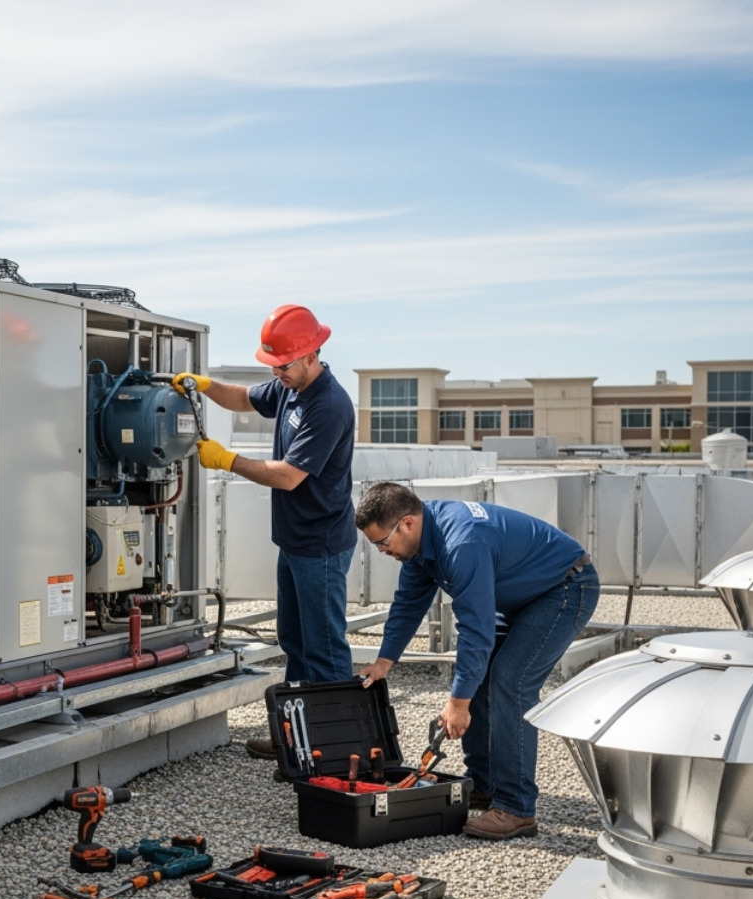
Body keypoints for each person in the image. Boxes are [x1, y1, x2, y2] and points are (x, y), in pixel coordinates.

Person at [355, 482, 598, 840]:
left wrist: (457, 704)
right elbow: (408, 605)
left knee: (511, 681)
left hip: (564, 588)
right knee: (480, 679)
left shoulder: (461, 542)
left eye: (382, 542)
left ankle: (516, 808)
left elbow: (476, 630)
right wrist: (384, 661)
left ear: (406, 523)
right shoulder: (421, 544)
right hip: (522, 596)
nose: (380, 551)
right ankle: (485, 787)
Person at [173, 304, 357, 760]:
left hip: (321, 545)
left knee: (325, 650)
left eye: (284, 365)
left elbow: (290, 476)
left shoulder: (328, 404)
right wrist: (205, 385)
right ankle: (297, 737)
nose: (278, 374)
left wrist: (227, 460)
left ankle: (338, 746)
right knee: (294, 642)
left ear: (312, 354)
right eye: (273, 366)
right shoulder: (290, 387)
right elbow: (244, 398)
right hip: (295, 541)